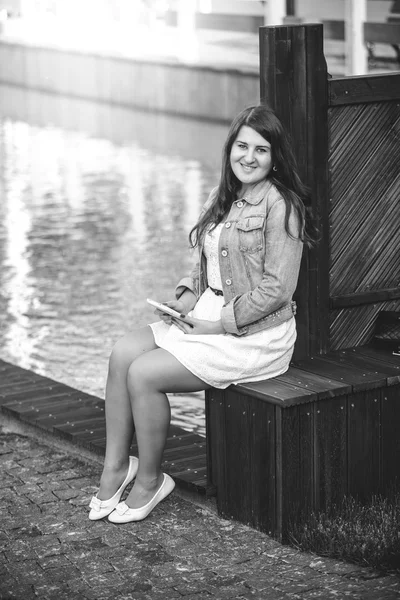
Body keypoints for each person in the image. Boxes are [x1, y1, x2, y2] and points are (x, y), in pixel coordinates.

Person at [88, 104, 318, 524]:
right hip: (208, 314)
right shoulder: (223, 195)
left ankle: (152, 480)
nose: (249, 157)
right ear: (230, 147)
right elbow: (205, 263)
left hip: (254, 334)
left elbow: (277, 289)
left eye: (261, 150)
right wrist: (185, 297)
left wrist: (217, 324)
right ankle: (117, 467)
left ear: (275, 157)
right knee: (123, 352)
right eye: (242, 145)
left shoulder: (282, 205)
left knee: (144, 374)